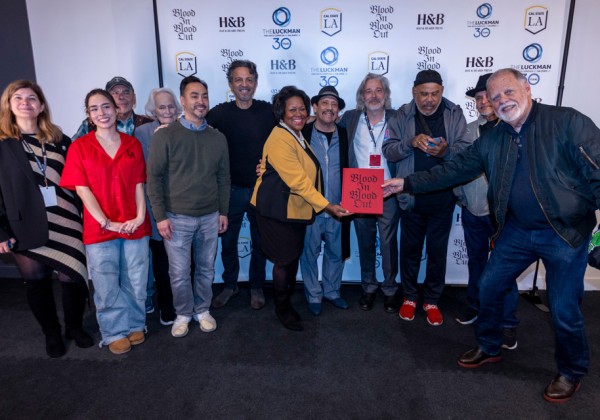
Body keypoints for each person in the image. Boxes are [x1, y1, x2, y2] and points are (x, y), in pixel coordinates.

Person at [382, 68, 600, 402]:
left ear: (527, 89)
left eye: (508, 92)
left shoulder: (567, 122)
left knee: (563, 308)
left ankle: (571, 371)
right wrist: (407, 183)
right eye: (495, 96)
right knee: (488, 286)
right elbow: (453, 170)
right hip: (516, 229)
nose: (501, 101)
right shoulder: (493, 138)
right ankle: (489, 346)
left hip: (565, 233)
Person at [0, 80, 92, 358]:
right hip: (24, 222)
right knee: (37, 281)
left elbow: (79, 179)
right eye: (19, 98)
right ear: (9, 105)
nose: (26, 103)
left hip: (67, 219)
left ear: (41, 106)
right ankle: (51, 333)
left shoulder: (60, 140)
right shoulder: (3, 146)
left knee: (72, 275)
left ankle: (73, 328)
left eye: (32, 98)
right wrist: (1, 231)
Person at [251, 85, 350, 331]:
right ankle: (282, 309)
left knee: (290, 258)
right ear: (281, 112)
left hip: (294, 210)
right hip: (277, 211)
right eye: (292, 109)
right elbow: (298, 181)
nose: (298, 113)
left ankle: (289, 303)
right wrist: (328, 206)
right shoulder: (280, 136)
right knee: (284, 262)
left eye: (302, 109)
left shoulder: (296, 133)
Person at [61, 88, 151, 355]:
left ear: (116, 109)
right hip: (100, 229)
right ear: (89, 115)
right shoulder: (80, 146)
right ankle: (113, 332)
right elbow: (82, 189)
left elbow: (139, 184)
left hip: (134, 226)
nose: (102, 113)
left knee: (136, 279)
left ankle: (136, 324)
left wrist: (139, 216)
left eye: (106, 106)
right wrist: (106, 222)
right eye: (94, 108)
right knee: (105, 282)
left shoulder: (132, 144)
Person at [382, 69, 469, 326]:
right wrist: (410, 142)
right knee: (410, 250)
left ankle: (431, 300)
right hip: (411, 196)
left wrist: (446, 152)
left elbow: (466, 154)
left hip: (443, 197)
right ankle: (409, 296)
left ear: (442, 92)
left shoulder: (454, 113)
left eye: (434, 93)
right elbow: (389, 151)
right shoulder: (402, 115)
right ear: (413, 93)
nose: (429, 99)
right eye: (424, 94)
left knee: (437, 252)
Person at [147, 76, 230, 338]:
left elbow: (223, 178)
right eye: (194, 96)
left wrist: (223, 211)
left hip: (209, 216)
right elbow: (154, 178)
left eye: (204, 95)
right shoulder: (166, 136)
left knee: (206, 269)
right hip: (176, 217)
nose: (200, 101)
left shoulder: (218, 138)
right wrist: (160, 216)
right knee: (179, 273)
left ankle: (202, 310)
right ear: (182, 100)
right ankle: (183, 313)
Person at [454, 73, 519, 350]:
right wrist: (461, 197)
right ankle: (476, 305)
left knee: (505, 271)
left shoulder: (514, 129)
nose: (482, 102)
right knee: (476, 262)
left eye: (486, 97)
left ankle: (507, 324)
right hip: (473, 211)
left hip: (506, 216)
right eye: (478, 98)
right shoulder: (468, 131)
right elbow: (456, 167)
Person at [206, 60, 275, 310]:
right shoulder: (219, 113)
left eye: (248, 80)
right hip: (230, 190)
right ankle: (230, 285)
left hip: (260, 189)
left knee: (260, 242)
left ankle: (256, 285)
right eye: (238, 80)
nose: (244, 85)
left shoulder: (269, 112)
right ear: (230, 84)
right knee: (228, 242)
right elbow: (194, 125)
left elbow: (295, 120)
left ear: (255, 83)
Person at [339, 73, 400, 313]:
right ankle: (368, 287)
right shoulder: (351, 118)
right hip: (360, 190)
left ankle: (390, 290)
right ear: (361, 96)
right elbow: (324, 122)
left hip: (388, 190)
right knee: (365, 243)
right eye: (369, 91)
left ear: (385, 94)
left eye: (378, 91)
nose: (373, 96)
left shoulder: (397, 118)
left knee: (387, 243)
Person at [299, 86, 351, 316]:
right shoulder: (302, 133)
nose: (329, 108)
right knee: (309, 253)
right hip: (309, 207)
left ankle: (332, 291)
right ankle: (313, 294)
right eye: (325, 103)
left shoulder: (345, 133)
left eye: (334, 104)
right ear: (316, 107)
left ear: (338, 110)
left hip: (339, 206)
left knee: (335, 252)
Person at [135, 88, 181, 325]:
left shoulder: (186, 128)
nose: (167, 111)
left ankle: (185, 305)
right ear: (153, 111)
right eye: (162, 107)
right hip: (157, 208)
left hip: (184, 207)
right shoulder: (142, 132)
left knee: (185, 263)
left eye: (171, 106)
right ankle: (166, 305)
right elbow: (144, 172)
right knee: (162, 262)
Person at [72, 76, 152, 140]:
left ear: (134, 99)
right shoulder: (90, 124)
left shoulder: (148, 124)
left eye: (126, 92)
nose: (121, 97)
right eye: (115, 93)